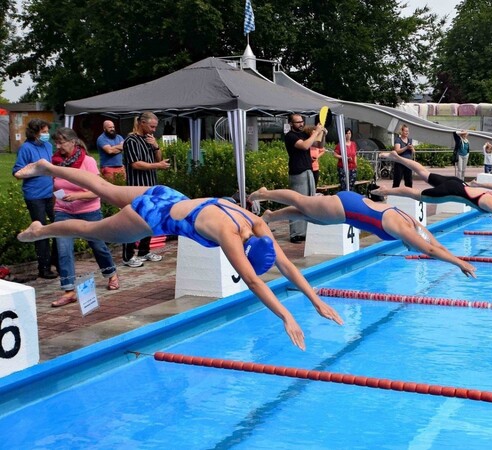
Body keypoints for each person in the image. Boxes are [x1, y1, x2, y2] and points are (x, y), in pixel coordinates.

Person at [15, 160, 343, 350]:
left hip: (167, 194)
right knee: (92, 231)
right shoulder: (228, 236)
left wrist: (315, 300)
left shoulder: (255, 222)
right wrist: (286, 317)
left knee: (104, 188)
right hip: (151, 217)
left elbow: (284, 265)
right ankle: (41, 231)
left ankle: (46, 167)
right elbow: (254, 282)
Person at [249, 188, 477, 278]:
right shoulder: (402, 228)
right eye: (412, 245)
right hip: (345, 208)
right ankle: (264, 193)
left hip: (351, 206)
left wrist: (457, 259)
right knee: (303, 203)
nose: (411, 247)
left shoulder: (414, 224)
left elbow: (436, 245)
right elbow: (428, 248)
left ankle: (270, 215)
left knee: (310, 216)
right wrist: (459, 264)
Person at [372, 152, 492, 256]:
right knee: (416, 195)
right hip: (452, 191)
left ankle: (397, 157)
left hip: (458, 183)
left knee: (424, 172)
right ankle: (386, 191)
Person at [49, 128, 120, 307]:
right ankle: (69, 290)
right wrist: (57, 201)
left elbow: (98, 190)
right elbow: (55, 185)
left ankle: (111, 273)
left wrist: (77, 196)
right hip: (63, 211)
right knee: (63, 249)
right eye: (56, 143)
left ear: (73, 142)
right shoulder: (56, 162)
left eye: (61, 143)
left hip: (89, 210)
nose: (58, 147)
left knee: (98, 245)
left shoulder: (87, 161)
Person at [12, 118, 59, 279]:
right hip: (34, 195)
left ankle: (57, 261)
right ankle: (44, 267)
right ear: (35, 133)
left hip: (50, 192)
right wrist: (35, 170)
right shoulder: (25, 148)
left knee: (59, 226)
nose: (47, 135)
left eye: (47, 131)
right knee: (41, 229)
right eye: (44, 132)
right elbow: (17, 171)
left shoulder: (48, 146)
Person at [122, 112, 170, 267]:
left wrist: (155, 146)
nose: (154, 130)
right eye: (152, 126)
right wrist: (158, 166)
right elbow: (135, 164)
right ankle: (128, 256)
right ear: (142, 123)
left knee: (149, 219)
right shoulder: (131, 140)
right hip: (136, 187)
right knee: (132, 221)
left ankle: (144, 250)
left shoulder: (149, 139)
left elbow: (158, 158)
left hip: (150, 186)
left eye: (155, 127)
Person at [284, 114, 326, 243]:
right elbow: (304, 146)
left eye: (302, 121)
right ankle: (295, 233)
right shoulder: (290, 136)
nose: (301, 124)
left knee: (309, 203)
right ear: (291, 124)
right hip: (298, 172)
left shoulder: (303, 135)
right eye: (297, 122)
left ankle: (304, 232)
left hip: (308, 170)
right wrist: (316, 132)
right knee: (298, 202)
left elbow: (319, 144)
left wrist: (322, 133)